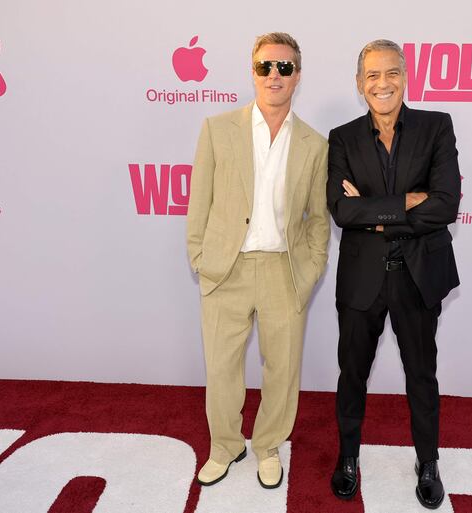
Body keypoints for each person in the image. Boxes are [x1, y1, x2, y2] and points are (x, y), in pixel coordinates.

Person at [186, 32, 329, 489]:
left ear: (297, 77)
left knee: (282, 369)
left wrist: (309, 271)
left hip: (282, 271)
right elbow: (199, 203)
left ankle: (267, 445)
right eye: (266, 66)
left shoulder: (314, 144)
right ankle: (225, 446)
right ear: (253, 72)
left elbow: (318, 218)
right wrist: (200, 258)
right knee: (222, 368)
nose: (274, 75)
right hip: (225, 268)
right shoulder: (216, 128)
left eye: (284, 68)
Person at [326, 39, 461, 509]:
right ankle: (347, 459)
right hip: (362, 278)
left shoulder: (436, 127)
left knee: (422, 375)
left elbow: (446, 204)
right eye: (372, 76)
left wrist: (375, 212)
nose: (382, 84)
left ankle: (428, 463)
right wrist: (408, 201)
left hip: (418, 275)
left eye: (391, 73)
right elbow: (342, 210)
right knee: (352, 376)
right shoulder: (342, 137)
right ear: (360, 84)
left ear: (405, 76)